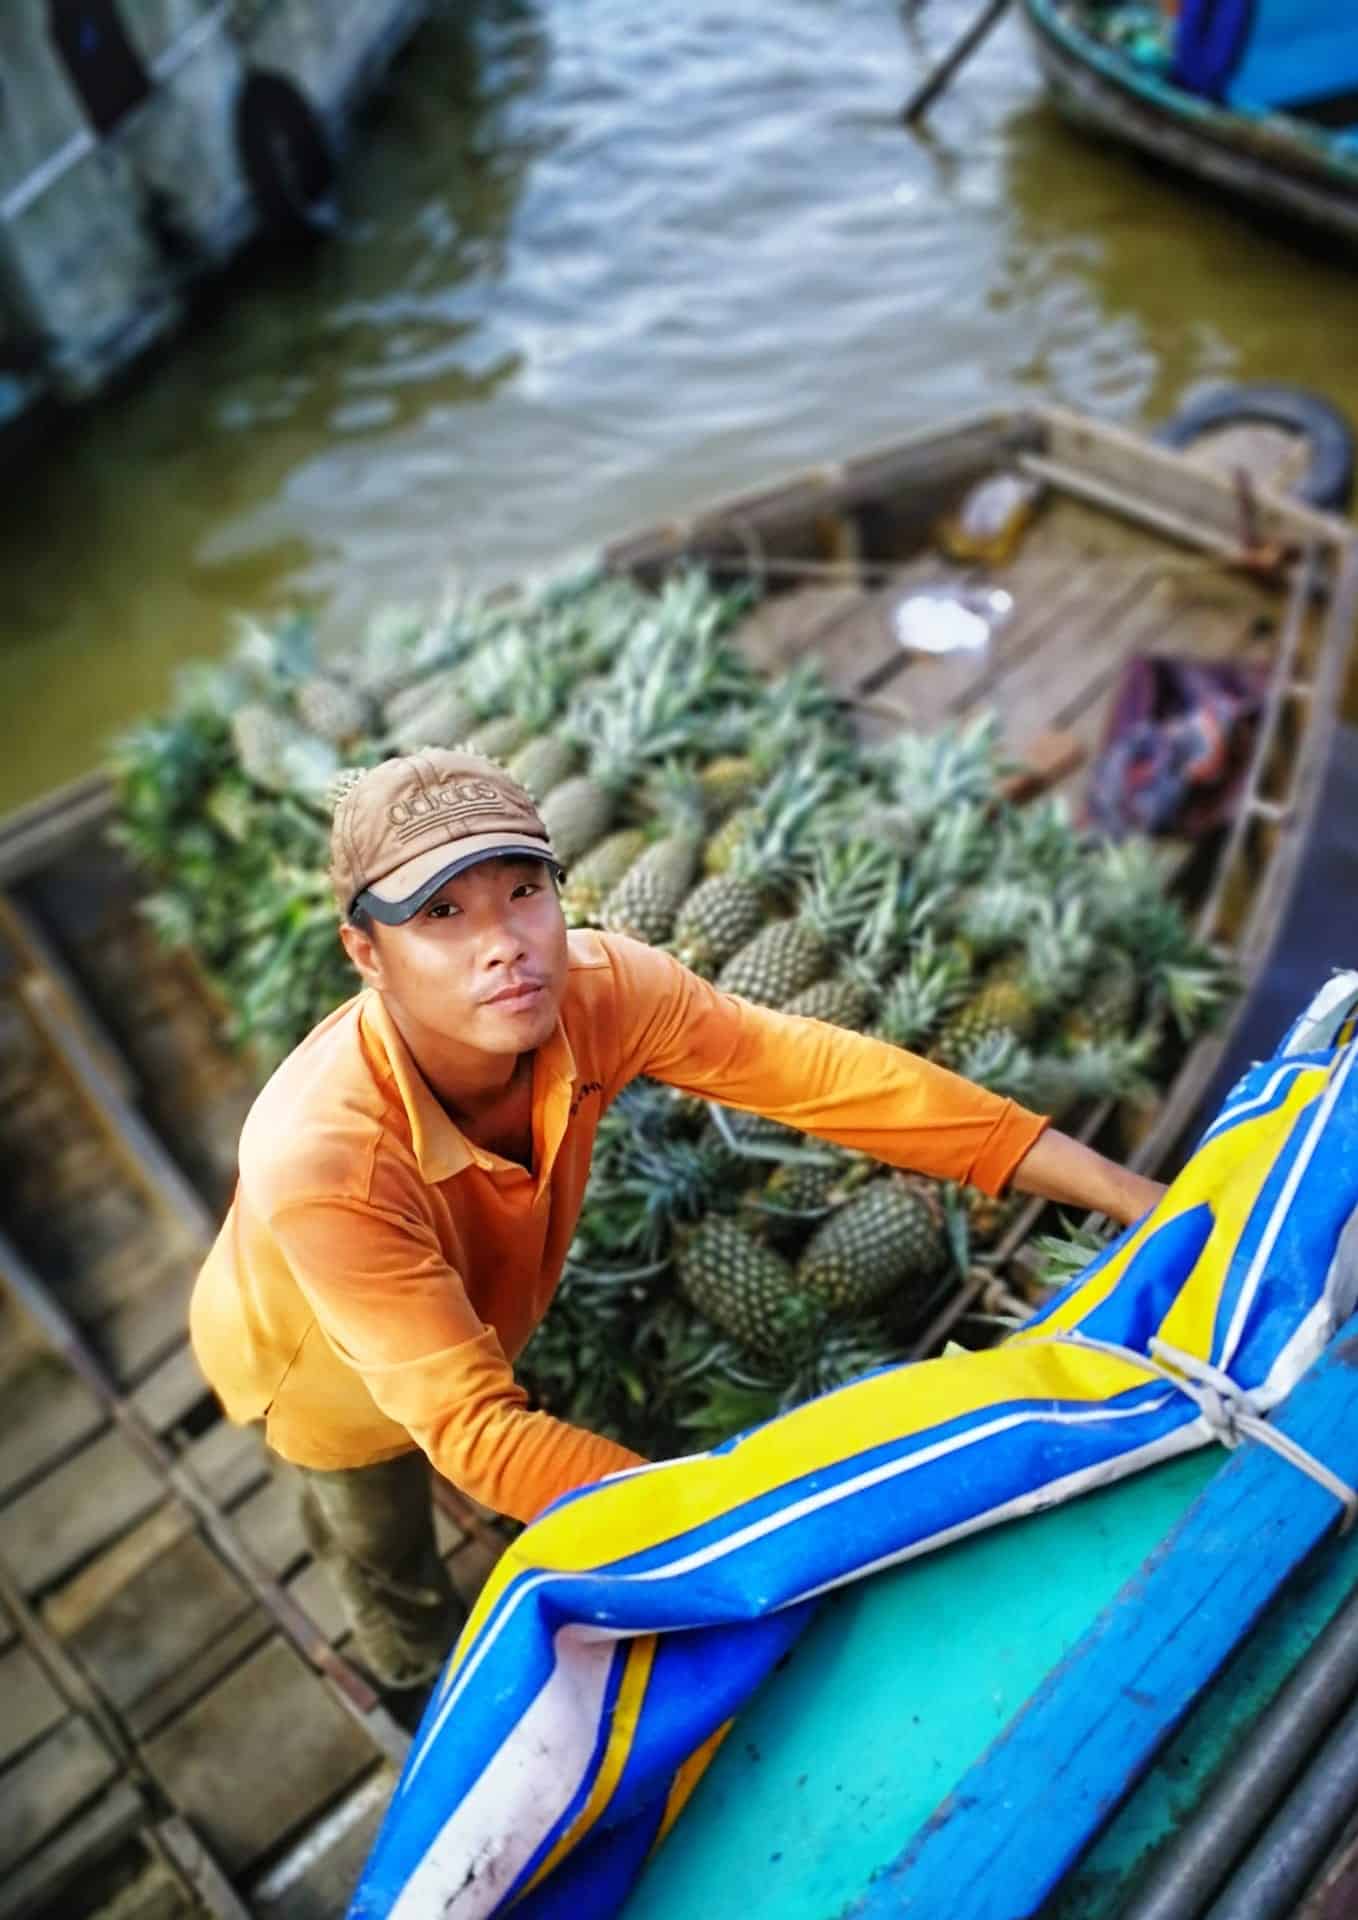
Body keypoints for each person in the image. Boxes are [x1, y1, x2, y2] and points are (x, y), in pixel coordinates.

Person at [190, 748, 1166, 1691]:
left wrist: (1136, 1196)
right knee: (375, 1532)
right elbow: (477, 1432)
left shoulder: (598, 990)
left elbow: (833, 1078)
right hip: (312, 1370)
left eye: (522, 891)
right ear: (366, 953)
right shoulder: (326, 1161)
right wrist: (750, 1539)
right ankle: (412, 1671)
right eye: (441, 913)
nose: (504, 944)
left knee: (478, 1386)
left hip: (473, 1302)